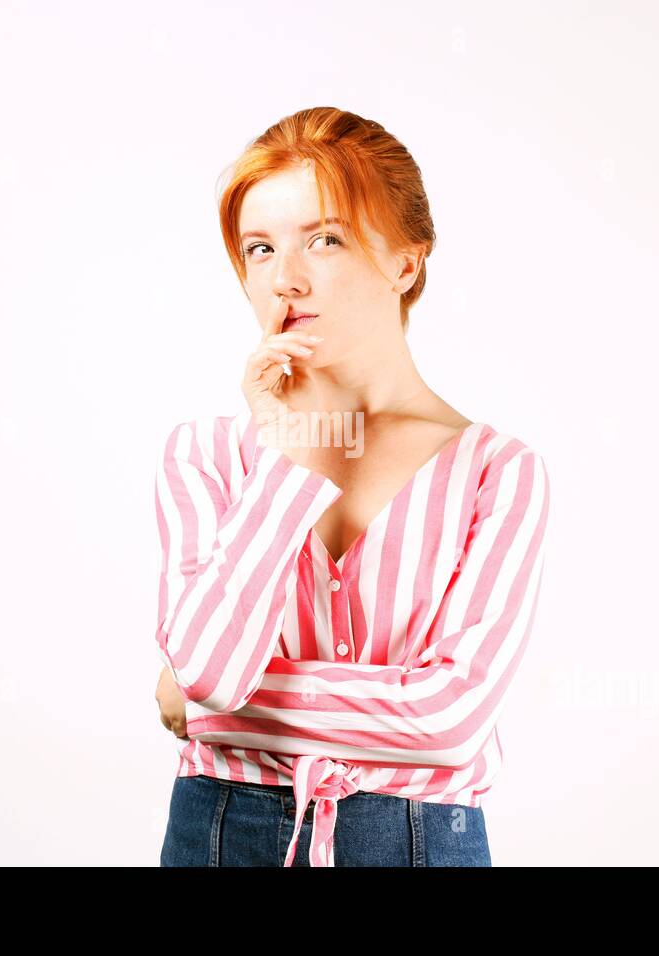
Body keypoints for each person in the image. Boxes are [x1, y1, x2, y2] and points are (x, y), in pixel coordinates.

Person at [153, 107, 551, 866]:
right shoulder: (204, 454)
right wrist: (292, 453)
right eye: (260, 248)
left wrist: (208, 709)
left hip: (418, 842)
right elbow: (208, 670)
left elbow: (450, 719)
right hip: (216, 836)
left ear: (406, 262)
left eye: (324, 239)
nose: (285, 279)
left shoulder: (497, 473)